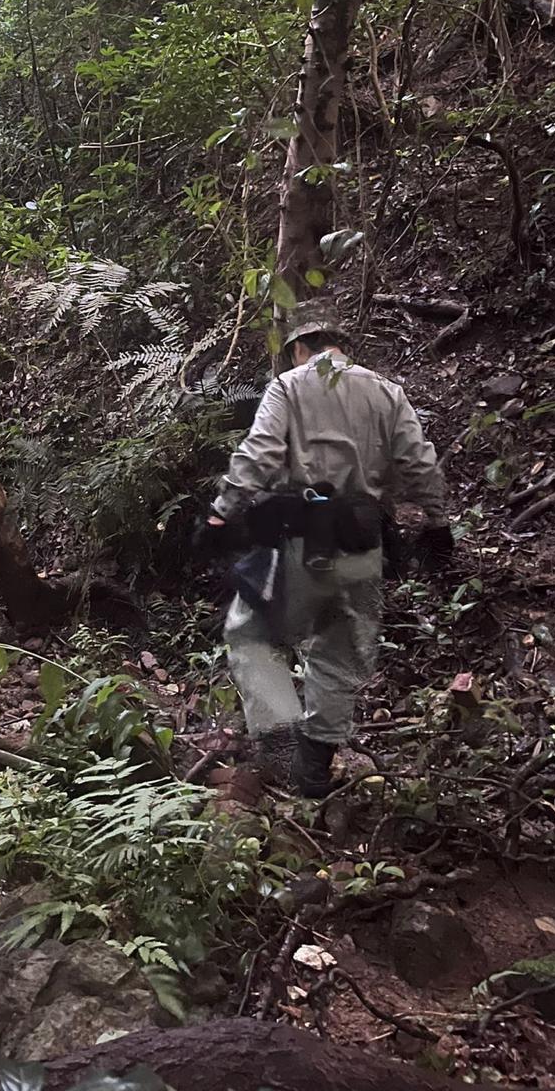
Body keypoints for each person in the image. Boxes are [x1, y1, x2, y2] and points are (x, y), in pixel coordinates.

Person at [207, 300, 452, 797]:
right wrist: (438, 520)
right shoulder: (386, 392)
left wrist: (223, 510)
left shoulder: (289, 385)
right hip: (364, 543)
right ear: (343, 345)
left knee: (248, 633)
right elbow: (419, 463)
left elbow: (260, 453)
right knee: (338, 654)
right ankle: (314, 768)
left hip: (302, 539)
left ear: (300, 346)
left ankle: (278, 743)